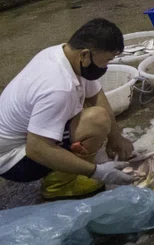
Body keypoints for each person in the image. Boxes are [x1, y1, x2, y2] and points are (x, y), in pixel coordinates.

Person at [0, 19, 135, 199]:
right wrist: (97, 172)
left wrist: (116, 137)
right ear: (85, 55)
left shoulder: (64, 54)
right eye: (106, 61)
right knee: (97, 121)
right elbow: (36, 148)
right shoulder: (58, 87)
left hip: (24, 138)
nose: (105, 67)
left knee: (97, 114)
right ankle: (59, 185)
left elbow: (96, 94)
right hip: (15, 161)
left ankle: (69, 169)